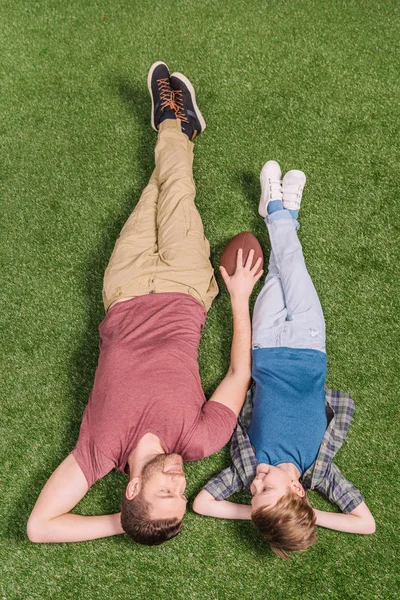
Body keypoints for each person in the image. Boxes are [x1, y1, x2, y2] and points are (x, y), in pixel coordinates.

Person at [27, 62, 263, 546]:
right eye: (182, 494)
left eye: (165, 491)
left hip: (124, 285)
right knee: (177, 188)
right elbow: (239, 376)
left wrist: (124, 523)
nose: (180, 482)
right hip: (185, 284)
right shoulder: (200, 440)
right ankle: (170, 119)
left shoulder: (97, 452)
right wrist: (239, 298)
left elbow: (39, 528)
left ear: (133, 487)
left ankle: (185, 127)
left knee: (155, 190)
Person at [193, 160, 375, 557]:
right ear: (297, 490)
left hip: (266, 344)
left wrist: (261, 512)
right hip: (310, 343)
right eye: (266, 489)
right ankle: (278, 211)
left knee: (279, 272)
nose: (256, 484)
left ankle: (281, 211)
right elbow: (366, 524)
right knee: (293, 266)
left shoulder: (247, 466)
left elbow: (202, 503)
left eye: (253, 494)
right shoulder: (321, 472)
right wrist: (307, 511)